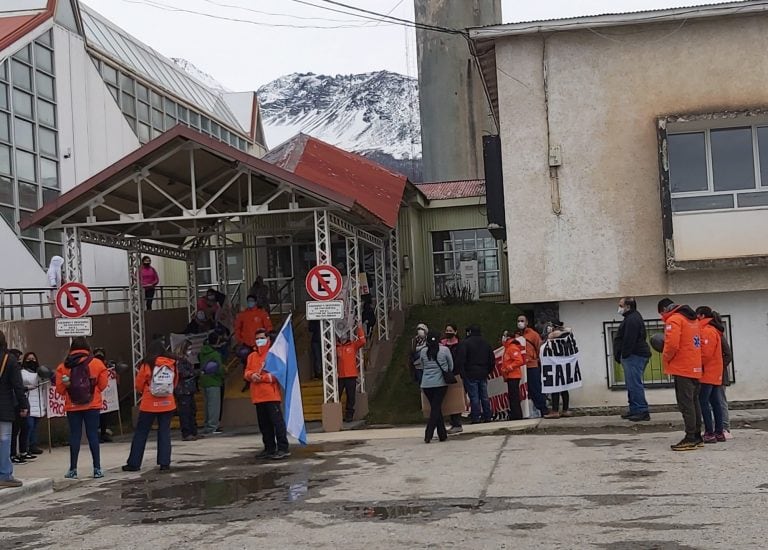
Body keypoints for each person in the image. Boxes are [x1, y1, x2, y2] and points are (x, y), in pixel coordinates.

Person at [55, 338, 109, 479]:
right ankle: (97, 469)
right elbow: (103, 385)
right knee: (92, 435)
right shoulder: (97, 363)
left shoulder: (63, 366)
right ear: (87, 347)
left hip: (72, 405)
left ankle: (73, 469)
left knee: (75, 436)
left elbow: (60, 390)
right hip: (92, 404)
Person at [123, 340, 178, 472]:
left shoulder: (147, 364)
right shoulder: (171, 363)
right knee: (164, 432)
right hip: (167, 403)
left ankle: (134, 463)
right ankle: (165, 463)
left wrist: (146, 391)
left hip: (149, 403)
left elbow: (139, 384)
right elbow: (175, 382)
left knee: (141, 433)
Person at [658, 298, 703, 451]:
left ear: (665, 309)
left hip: (682, 367)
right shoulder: (693, 320)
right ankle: (697, 435)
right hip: (695, 366)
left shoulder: (675, 320)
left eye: (661, 313)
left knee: (686, 403)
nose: (661, 316)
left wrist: (665, 358)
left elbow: (672, 345)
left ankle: (690, 437)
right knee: (694, 401)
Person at [244, 328, 289, 460]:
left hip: (271, 395)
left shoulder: (273, 354)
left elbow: (278, 373)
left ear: (268, 339)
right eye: (257, 339)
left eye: (261, 338)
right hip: (257, 396)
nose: (259, 341)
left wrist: (262, 378)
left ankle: (283, 448)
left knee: (277, 423)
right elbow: (246, 372)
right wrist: (252, 376)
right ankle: (269, 448)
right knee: (264, 425)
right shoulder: (251, 356)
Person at [615, 297, 652, 422]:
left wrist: (624, 354)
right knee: (632, 384)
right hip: (633, 355)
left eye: (621, 305)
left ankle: (641, 410)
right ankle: (635, 409)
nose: (619, 308)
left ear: (628, 306)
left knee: (634, 384)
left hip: (634, 355)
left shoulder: (632, 319)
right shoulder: (631, 318)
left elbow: (629, 339)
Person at [0, 331, 29, 488]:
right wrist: (24, 405)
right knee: (4, 440)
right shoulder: (9, 360)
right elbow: (18, 386)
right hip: (4, 406)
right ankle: (4, 475)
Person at [696, 306, 726, 443]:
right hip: (715, 372)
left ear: (701, 316)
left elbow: (705, 354)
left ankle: (709, 432)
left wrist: (696, 365)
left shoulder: (707, 331)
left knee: (704, 402)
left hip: (707, 372)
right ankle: (719, 432)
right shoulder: (714, 330)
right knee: (715, 402)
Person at [419, 331, 454, 443]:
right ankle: (428, 433)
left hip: (426, 384)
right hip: (440, 383)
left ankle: (442, 434)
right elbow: (451, 366)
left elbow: (422, 365)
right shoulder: (444, 350)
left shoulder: (423, 351)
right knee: (435, 408)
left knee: (436, 408)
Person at [456, 325, 495, 424]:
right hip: (483, 372)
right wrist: (488, 371)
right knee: (484, 396)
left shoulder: (465, 343)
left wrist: (463, 373)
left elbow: (461, 360)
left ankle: (476, 417)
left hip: (470, 373)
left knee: (474, 397)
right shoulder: (486, 343)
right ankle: (487, 416)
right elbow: (492, 359)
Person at [515, 314, 548, 418]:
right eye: (518, 321)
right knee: (525, 391)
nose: (520, 322)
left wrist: (537, 360)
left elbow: (540, 347)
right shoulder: (516, 336)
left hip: (532, 366)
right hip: (521, 367)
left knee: (536, 388)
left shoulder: (533, 335)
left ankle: (543, 409)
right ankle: (530, 411)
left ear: (527, 322)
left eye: (522, 320)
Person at [544, 321, 575, 418]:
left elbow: (551, 336)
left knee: (555, 388)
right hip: (564, 366)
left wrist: (555, 331)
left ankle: (555, 410)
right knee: (564, 389)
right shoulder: (566, 336)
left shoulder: (556, 335)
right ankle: (565, 409)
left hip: (555, 365)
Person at [337, 326, 367, 422]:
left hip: (351, 375)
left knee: (351, 396)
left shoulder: (352, 345)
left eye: (344, 336)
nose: (343, 338)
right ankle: (337, 415)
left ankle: (349, 415)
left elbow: (362, 341)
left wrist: (359, 329)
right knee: (337, 395)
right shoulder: (336, 347)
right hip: (340, 376)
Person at [9, 349, 32, 464]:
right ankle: (12, 454)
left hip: (14, 402)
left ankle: (18, 452)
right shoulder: (13, 367)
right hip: (14, 403)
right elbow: (17, 387)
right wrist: (23, 405)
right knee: (12, 432)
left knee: (20, 429)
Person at [199, 334, 225, 435]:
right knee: (214, 406)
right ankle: (212, 427)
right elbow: (219, 369)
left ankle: (207, 425)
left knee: (207, 405)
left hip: (204, 381)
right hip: (214, 381)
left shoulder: (202, 352)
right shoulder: (215, 354)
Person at [20, 352, 45, 455]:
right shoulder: (22, 372)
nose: (31, 361)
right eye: (29, 359)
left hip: (38, 403)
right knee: (29, 426)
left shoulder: (38, 372)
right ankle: (25, 447)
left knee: (35, 426)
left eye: (33, 359)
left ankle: (33, 445)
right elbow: (30, 381)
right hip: (28, 402)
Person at [440, 324, 463, 433]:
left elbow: (459, 360)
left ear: (455, 331)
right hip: (445, 375)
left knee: (455, 399)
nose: (448, 332)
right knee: (449, 399)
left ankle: (457, 423)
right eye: (447, 330)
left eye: (450, 330)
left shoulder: (459, 345)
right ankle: (452, 422)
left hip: (456, 374)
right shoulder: (442, 345)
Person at [500, 330, 525, 421]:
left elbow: (519, 361)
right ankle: (515, 414)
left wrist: (509, 368)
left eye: (504, 336)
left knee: (514, 396)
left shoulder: (512, 347)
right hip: (510, 376)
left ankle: (517, 415)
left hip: (514, 376)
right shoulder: (508, 348)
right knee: (512, 396)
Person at [93, 348, 115, 443]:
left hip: (105, 396)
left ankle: (103, 433)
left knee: (104, 415)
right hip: (96, 395)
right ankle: (97, 434)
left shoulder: (106, 365)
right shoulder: (92, 365)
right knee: (96, 416)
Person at [719, 334, 734, 440]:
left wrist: (718, 365)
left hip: (719, 375)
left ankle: (725, 428)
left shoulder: (718, 334)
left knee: (720, 401)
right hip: (711, 375)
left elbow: (728, 354)